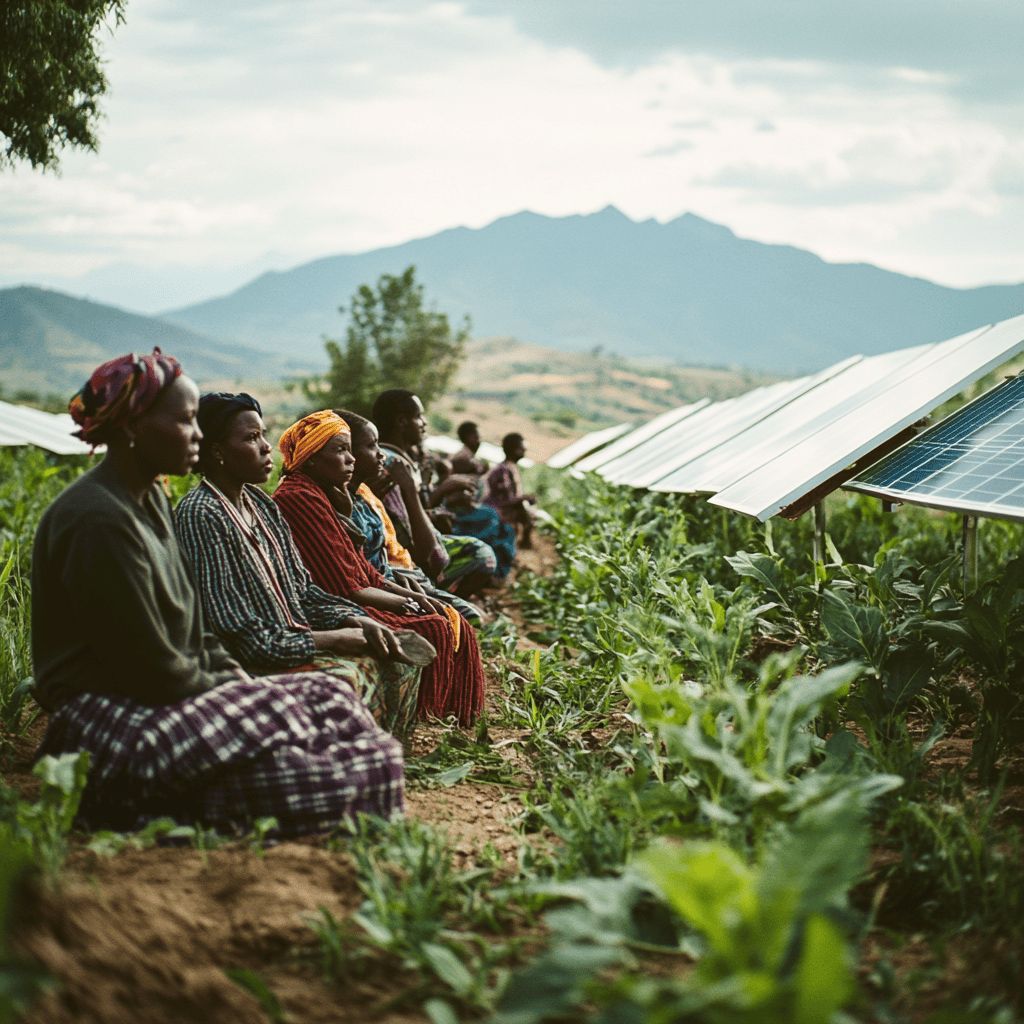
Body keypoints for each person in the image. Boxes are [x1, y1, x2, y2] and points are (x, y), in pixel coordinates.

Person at [32, 351, 403, 837]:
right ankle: (121, 798)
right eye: (186, 421)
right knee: (349, 772)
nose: (197, 436)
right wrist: (253, 700)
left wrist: (242, 689)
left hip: (172, 694)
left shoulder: (151, 501)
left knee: (333, 703)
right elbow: (152, 669)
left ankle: (199, 796)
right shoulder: (99, 519)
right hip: (110, 717)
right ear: (133, 429)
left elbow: (196, 632)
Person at [174, 392, 432, 742]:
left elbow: (304, 589)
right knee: (344, 681)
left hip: (291, 637)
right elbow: (237, 632)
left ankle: (384, 756)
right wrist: (333, 638)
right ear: (217, 451)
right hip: (247, 660)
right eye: (251, 438)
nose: (267, 447)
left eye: (263, 434)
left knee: (392, 655)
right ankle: (338, 765)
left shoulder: (262, 506)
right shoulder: (202, 513)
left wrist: (354, 619)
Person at [272, 410, 485, 726]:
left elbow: (365, 571)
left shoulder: (327, 494)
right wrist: (408, 602)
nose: (351, 460)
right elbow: (346, 586)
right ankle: (433, 717)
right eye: (340, 450)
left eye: (349, 449)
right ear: (312, 458)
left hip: (357, 592)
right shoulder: (299, 497)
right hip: (334, 603)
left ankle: (444, 715)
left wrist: (414, 598)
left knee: (449, 620)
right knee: (437, 624)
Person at [371, 389, 500, 596]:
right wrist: (442, 490)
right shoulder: (390, 465)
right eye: (419, 416)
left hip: (417, 545)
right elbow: (401, 527)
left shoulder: (399, 461)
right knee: (482, 554)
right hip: (406, 556)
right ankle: (447, 596)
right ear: (402, 421)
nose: (424, 423)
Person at [486, 432, 536, 548]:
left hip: (503, 509)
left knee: (528, 511)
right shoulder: (503, 470)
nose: (524, 452)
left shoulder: (510, 467)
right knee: (527, 513)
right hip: (498, 511)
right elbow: (504, 500)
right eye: (522, 449)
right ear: (514, 450)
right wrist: (524, 499)